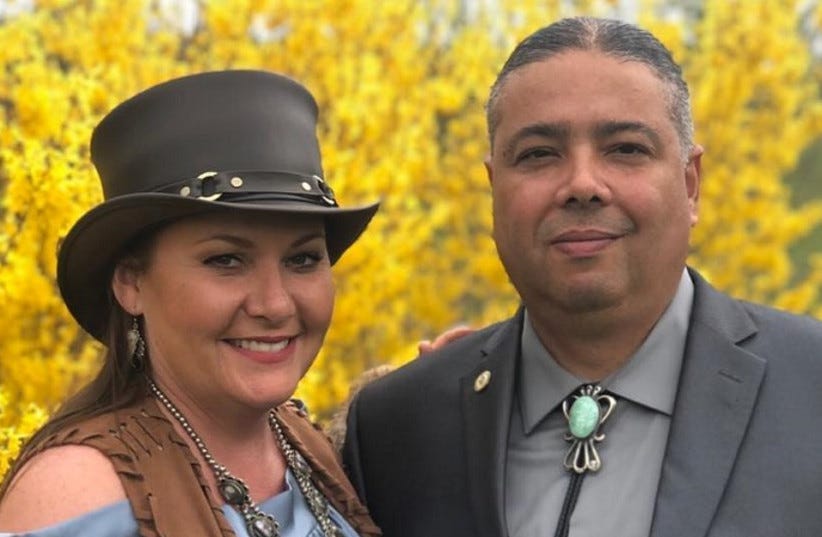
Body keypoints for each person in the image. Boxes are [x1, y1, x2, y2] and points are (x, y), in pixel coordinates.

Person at [343, 16, 822, 537]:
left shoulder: (809, 388)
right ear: (494, 189)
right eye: (538, 155)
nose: (582, 185)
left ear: (690, 185)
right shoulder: (397, 426)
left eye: (625, 149)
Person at [0, 70, 382, 537]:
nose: (275, 304)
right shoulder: (79, 495)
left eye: (302, 259)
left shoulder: (308, 448)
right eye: (226, 260)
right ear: (130, 282)